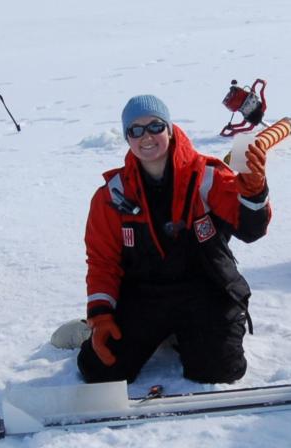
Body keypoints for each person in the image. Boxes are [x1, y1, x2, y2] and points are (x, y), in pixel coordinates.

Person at [70, 94, 270, 384]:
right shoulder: (112, 195)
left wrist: (254, 194)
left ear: (170, 129)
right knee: (99, 369)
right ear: (127, 138)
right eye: (135, 130)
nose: (146, 136)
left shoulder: (208, 176)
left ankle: (199, 331)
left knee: (220, 369)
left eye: (154, 126)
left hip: (206, 289)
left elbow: (251, 230)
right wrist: (101, 316)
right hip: (145, 296)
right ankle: (96, 329)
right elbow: (102, 262)